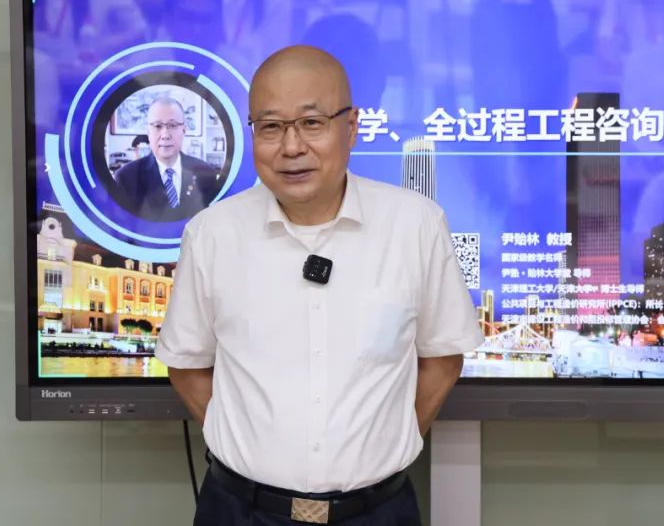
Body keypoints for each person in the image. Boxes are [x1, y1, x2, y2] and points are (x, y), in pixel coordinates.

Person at [155, 45, 483, 525]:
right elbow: (187, 366)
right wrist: (251, 445)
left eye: (312, 123)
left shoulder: (415, 225)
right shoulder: (212, 234)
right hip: (239, 511)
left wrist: (382, 446)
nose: (291, 147)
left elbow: (442, 357)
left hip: (378, 512)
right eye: (271, 127)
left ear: (351, 127)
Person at [113, 95, 219, 221]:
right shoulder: (126, 177)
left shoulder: (206, 173)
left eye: (173, 125)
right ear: (148, 131)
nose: (165, 135)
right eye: (157, 126)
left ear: (184, 130)